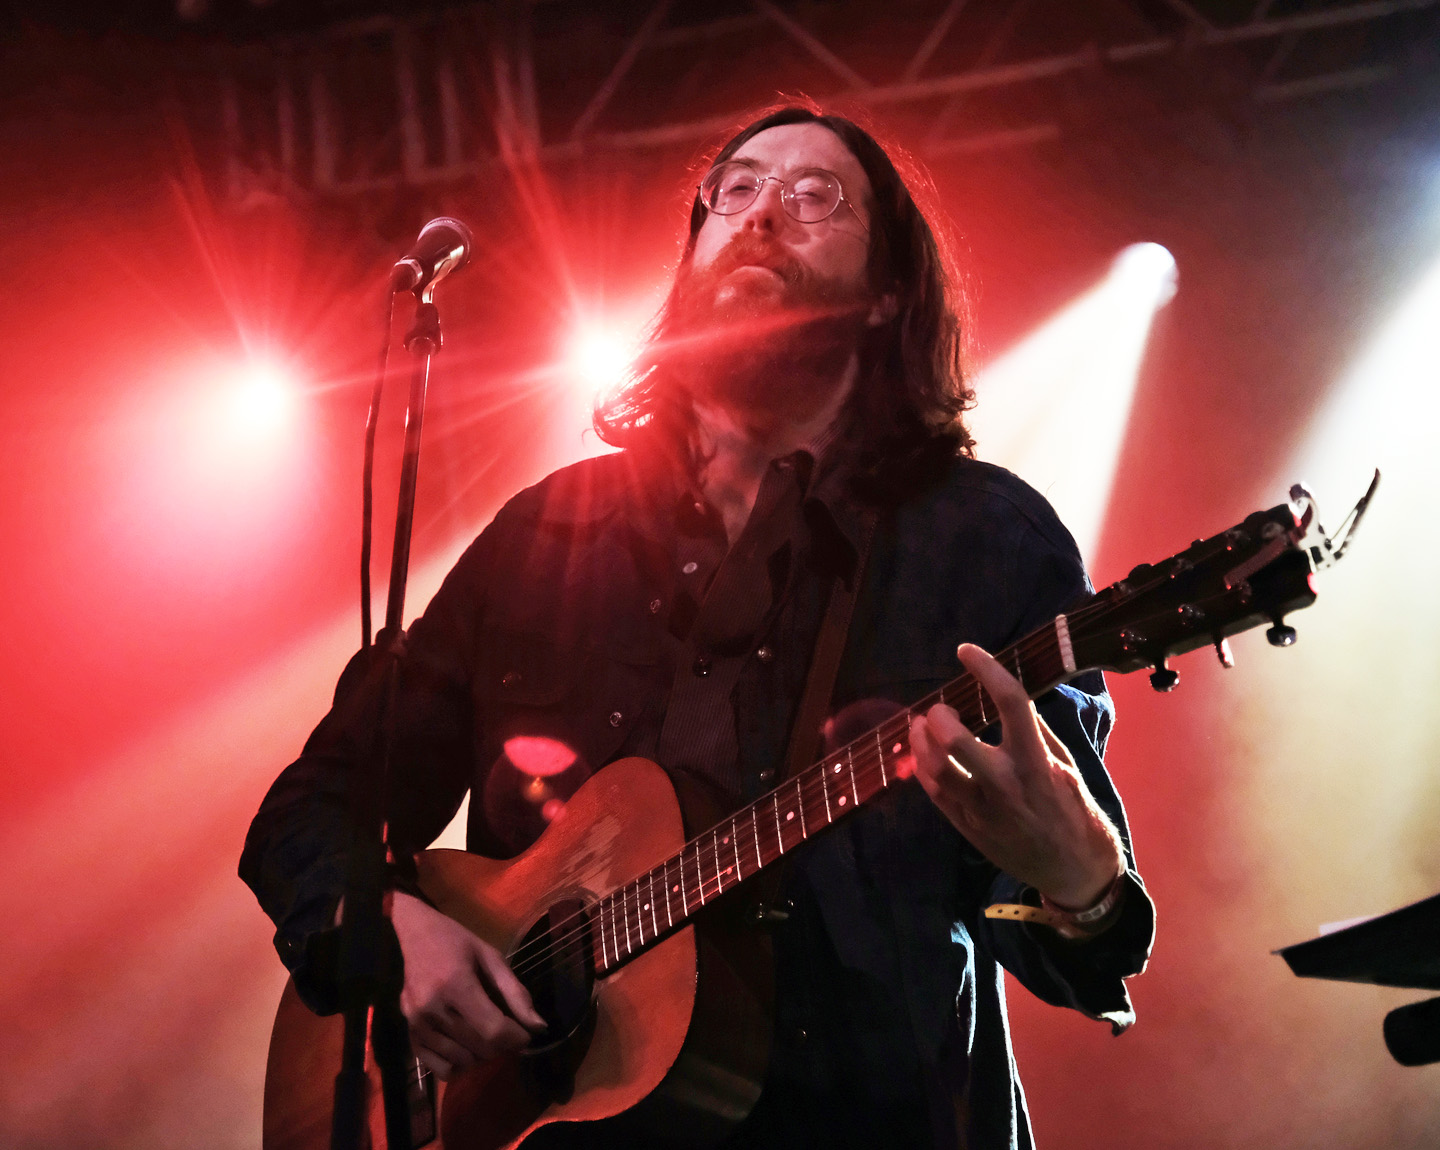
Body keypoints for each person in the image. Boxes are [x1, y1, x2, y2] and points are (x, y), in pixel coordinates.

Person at [241, 103, 1154, 1150]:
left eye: (817, 196)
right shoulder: (548, 532)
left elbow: (1075, 942)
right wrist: (389, 933)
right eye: (737, 189)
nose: (764, 214)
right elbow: (312, 809)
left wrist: (1082, 887)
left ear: (886, 297)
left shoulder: (982, 539)